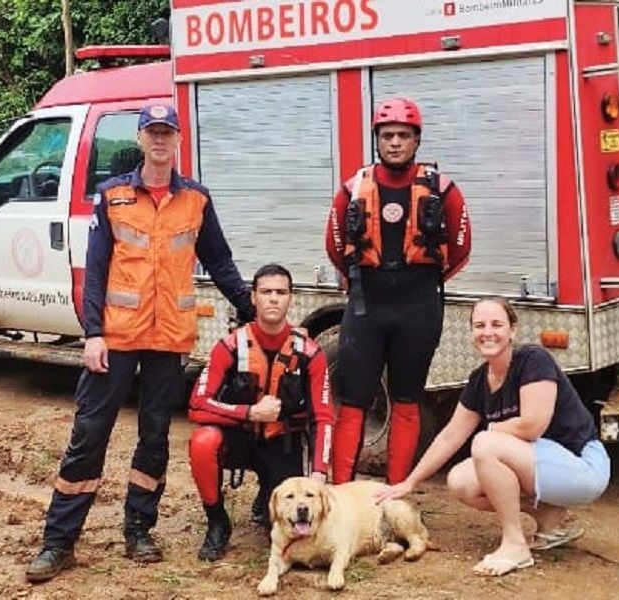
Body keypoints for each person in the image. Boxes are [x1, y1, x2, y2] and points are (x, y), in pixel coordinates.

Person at [26, 104, 255, 582]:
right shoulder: (113, 196)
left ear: (178, 140)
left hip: (168, 340)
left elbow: (219, 261)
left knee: (154, 437)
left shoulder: (196, 200)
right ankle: (58, 543)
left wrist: (253, 311)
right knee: (89, 435)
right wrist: (92, 333)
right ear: (140, 138)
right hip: (116, 337)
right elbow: (95, 273)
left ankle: (139, 531)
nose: (159, 140)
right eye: (152, 132)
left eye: (167, 132)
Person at [375, 297, 611, 577]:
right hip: (545, 467)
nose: (488, 332)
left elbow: (532, 426)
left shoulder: (534, 360)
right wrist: (410, 482)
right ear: (472, 333)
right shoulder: (479, 380)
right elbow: (450, 437)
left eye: (497, 324)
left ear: (512, 331)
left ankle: (515, 545)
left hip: (583, 467)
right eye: (480, 325)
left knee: (485, 444)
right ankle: (547, 515)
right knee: (461, 481)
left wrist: (493, 430)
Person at [326, 97, 471, 485]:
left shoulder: (443, 190)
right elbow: (335, 246)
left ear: (416, 140)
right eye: (387, 135)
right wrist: (367, 278)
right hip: (366, 308)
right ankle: (342, 494)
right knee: (353, 400)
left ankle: (396, 494)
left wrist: (419, 281)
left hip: (418, 308)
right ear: (377, 139)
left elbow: (460, 249)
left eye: (403, 135)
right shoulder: (352, 189)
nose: (394, 142)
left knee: (407, 400)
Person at [187, 263, 334, 561]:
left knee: (286, 533)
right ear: (253, 297)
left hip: (281, 442)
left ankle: (264, 498)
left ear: (291, 298)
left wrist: (319, 473)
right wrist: (250, 412)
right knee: (202, 441)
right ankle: (217, 522)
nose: (274, 299)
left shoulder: (309, 353)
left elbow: (324, 418)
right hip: (237, 438)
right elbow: (196, 404)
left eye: (281, 292)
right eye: (266, 292)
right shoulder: (230, 346)